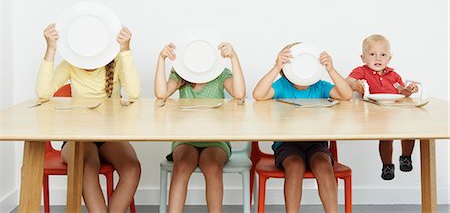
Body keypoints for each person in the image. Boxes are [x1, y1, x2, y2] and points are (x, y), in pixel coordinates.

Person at [36, 23, 141, 213]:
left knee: (132, 168)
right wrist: (50, 49)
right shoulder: (70, 65)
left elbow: (134, 93)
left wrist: (125, 50)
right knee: (87, 165)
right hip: (78, 138)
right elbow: (43, 93)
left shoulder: (115, 61)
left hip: (109, 137)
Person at [253, 42, 352, 213]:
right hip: (287, 144)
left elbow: (347, 95)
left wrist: (331, 70)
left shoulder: (320, 86)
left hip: (316, 144)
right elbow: (258, 95)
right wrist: (276, 67)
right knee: (295, 166)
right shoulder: (282, 85)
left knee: (323, 166)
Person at [154, 42, 245, 213]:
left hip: (215, 140)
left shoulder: (220, 75)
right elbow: (161, 94)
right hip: (186, 139)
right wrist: (161, 59)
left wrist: (233, 57)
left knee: (212, 167)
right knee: (181, 166)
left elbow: (240, 93)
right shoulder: (180, 77)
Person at [346, 34, 418, 180]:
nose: (378, 59)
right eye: (372, 54)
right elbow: (347, 81)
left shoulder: (393, 75)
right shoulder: (362, 71)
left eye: (383, 55)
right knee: (386, 137)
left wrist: (410, 89)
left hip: (395, 110)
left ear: (389, 58)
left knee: (409, 131)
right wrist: (356, 85)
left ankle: (406, 157)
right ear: (363, 57)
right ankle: (387, 166)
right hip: (375, 112)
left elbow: (402, 91)